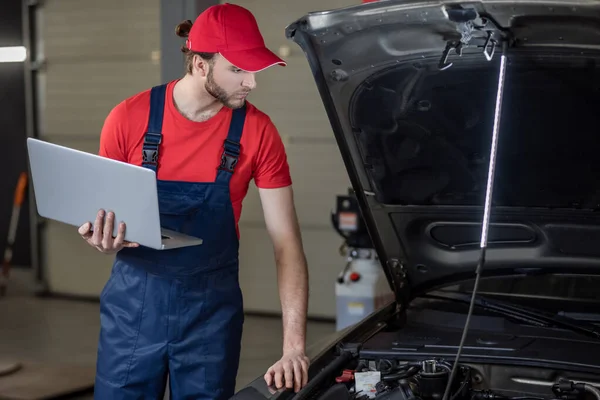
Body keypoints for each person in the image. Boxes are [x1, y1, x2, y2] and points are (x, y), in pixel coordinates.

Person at [77, 3, 310, 399]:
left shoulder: (258, 132)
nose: (251, 83)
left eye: (254, 69)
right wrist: (100, 238)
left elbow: (287, 244)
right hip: (133, 313)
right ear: (200, 65)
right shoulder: (128, 119)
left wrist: (294, 348)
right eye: (238, 69)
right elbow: (103, 218)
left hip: (210, 318)